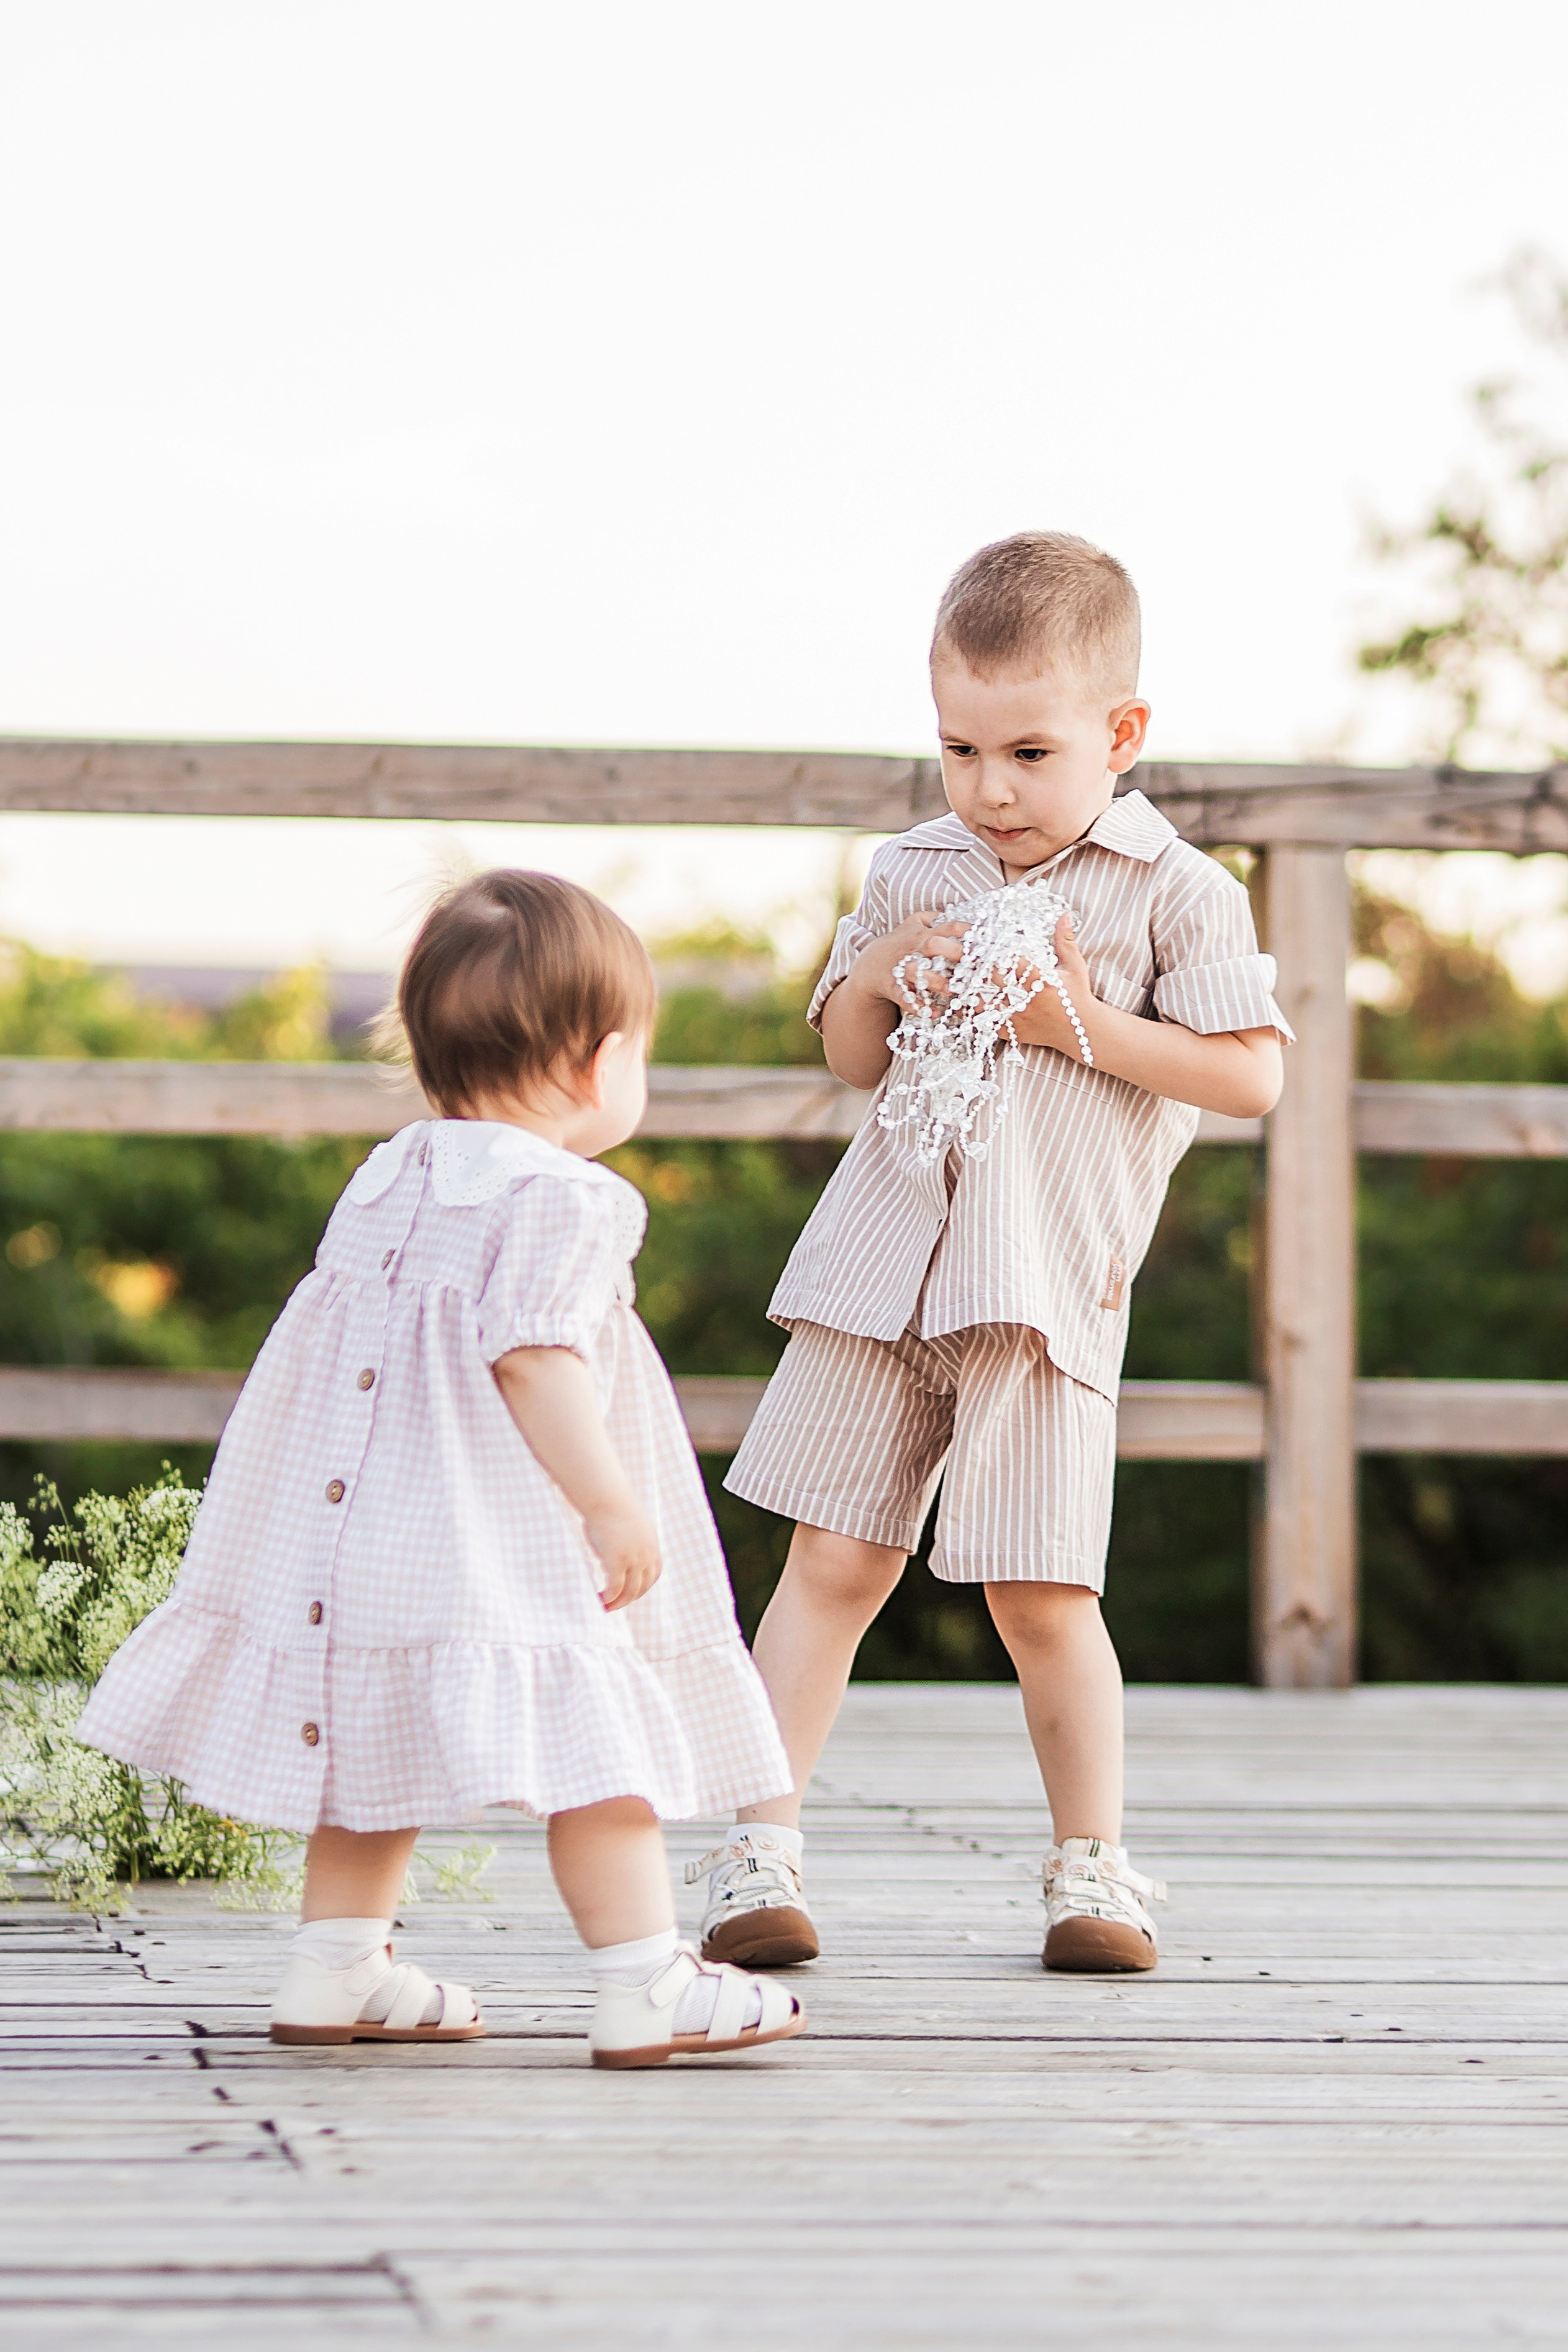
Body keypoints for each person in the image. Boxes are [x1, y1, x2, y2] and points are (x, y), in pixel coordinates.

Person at [78, 871, 804, 2069]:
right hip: (497, 1529)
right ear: (597, 1060)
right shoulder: (566, 1199)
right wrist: (607, 1497)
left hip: (355, 1531)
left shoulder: (394, 1171)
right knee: (600, 1742)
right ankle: (643, 1981)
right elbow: (534, 1358)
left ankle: (335, 1964)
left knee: (372, 1748)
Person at [701, 531, 1292, 1976]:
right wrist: (887, 974)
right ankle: (756, 1850)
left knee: (1040, 1593)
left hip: (1038, 1284)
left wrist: (1067, 1023)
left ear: (1121, 735)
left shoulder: (1174, 890)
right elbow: (848, 1054)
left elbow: (1246, 1075)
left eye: (1028, 751)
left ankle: (1091, 1869)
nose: (991, 788)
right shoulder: (914, 866)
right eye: (959, 749)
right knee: (829, 1560)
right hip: (881, 1265)